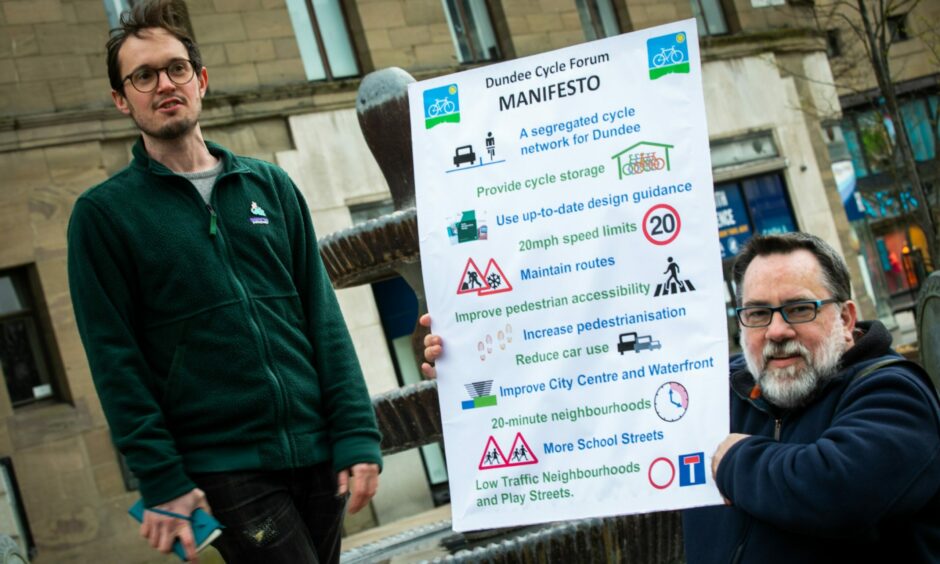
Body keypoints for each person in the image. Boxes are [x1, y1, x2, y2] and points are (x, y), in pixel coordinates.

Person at [67, 1, 380, 562]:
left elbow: (322, 317)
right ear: (121, 99)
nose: (164, 83)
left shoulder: (271, 186)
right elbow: (116, 364)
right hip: (225, 466)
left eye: (176, 67)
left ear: (201, 79)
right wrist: (160, 477)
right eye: (142, 75)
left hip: (315, 448)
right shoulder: (104, 217)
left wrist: (355, 432)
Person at [420, 232, 940, 561]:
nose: (777, 330)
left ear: (846, 319)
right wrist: (471, 364)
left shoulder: (891, 390)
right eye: (758, 313)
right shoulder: (716, 392)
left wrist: (733, 458)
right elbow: (586, 392)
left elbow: (836, 490)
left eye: (799, 309)